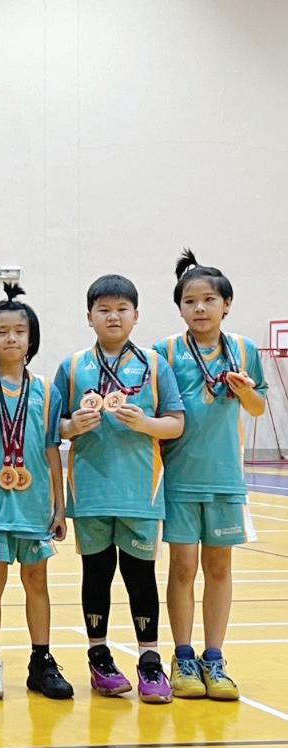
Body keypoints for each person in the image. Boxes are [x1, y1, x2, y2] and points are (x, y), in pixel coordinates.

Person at [54, 274, 185, 704]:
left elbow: (176, 423)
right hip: (90, 492)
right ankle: (99, 659)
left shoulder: (154, 364)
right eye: (104, 309)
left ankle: (150, 661)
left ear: (136, 315)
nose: (113, 316)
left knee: (140, 576)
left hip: (141, 493)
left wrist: (145, 423)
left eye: (121, 309)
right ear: (89, 317)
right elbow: (53, 426)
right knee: (96, 575)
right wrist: (72, 425)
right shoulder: (73, 366)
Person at [154, 250, 267, 700]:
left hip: (225, 477)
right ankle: (183, 657)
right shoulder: (164, 352)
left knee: (219, 566)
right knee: (182, 566)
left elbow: (257, 407)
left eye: (209, 300)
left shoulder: (244, 350)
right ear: (180, 307)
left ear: (227, 304)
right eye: (190, 301)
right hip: (180, 477)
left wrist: (245, 391)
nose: (200, 308)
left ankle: (214, 658)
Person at [0, 284, 73, 701]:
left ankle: (41, 661)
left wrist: (59, 506)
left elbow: (52, 450)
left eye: (19, 331)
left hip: (34, 505)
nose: (11, 338)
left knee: (36, 581)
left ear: (31, 339)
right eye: (2, 331)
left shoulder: (46, 390)